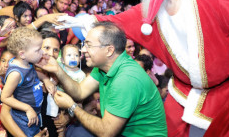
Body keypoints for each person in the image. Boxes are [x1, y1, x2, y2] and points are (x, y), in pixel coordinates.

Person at [56, 0, 229, 137]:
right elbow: (116, 20)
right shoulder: (149, 11)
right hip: (182, 91)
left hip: (226, 90)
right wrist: (81, 20)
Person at [37, 22, 167, 136]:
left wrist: (72, 107)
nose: (82, 50)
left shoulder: (126, 79)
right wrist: (58, 70)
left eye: (88, 45)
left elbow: (106, 132)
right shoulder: (105, 66)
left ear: (109, 50)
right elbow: (80, 91)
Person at [0, 27, 44, 137]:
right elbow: (5, 97)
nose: (42, 52)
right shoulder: (16, 73)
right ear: (22, 54)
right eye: (38, 50)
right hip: (24, 118)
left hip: (34, 112)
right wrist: (27, 108)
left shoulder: (27, 63)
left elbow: (33, 73)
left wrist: (46, 80)